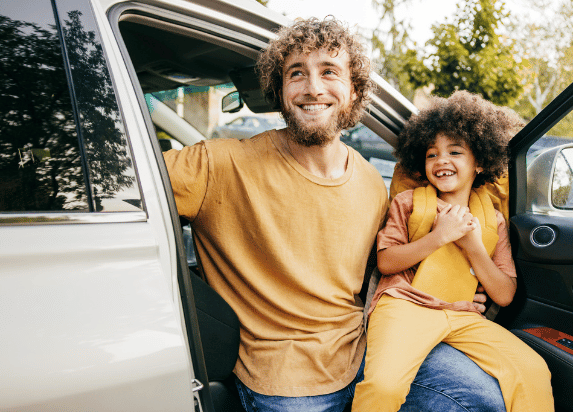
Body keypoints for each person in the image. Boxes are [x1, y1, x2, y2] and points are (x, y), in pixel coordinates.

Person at [165, 17, 507, 412]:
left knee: (481, 399)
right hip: (282, 374)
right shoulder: (216, 163)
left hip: (365, 345)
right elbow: (119, 183)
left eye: (329, 71)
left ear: (354, 90)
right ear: (279, 89)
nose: (313, 87)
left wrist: (451, 301)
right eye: (297, 73)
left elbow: (385, 272)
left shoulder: (369, 180)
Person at [352, 90, 554, 412]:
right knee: (383, 386)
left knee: (532, 370)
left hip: (461, 314)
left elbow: (503, 294)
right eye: (431, 154)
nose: (441, 161)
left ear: (480, 163)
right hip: (406, 305)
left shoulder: (494, 221)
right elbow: (386, 261)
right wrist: (439, 236)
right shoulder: (408, 203)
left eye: (455, 152)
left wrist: (472, 246)